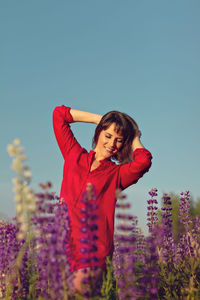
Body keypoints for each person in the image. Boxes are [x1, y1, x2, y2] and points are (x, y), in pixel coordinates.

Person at [53, 105, 152, 297]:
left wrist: (135, 137)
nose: (112, 143)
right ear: (99, 133)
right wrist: (102, 119)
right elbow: (59, 115)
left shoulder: (117, 174)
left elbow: (143, 162)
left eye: (119, 140)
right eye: (108, 136)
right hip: (62, 245)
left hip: (93, 250)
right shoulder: (74, 155)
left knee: (77, 292)